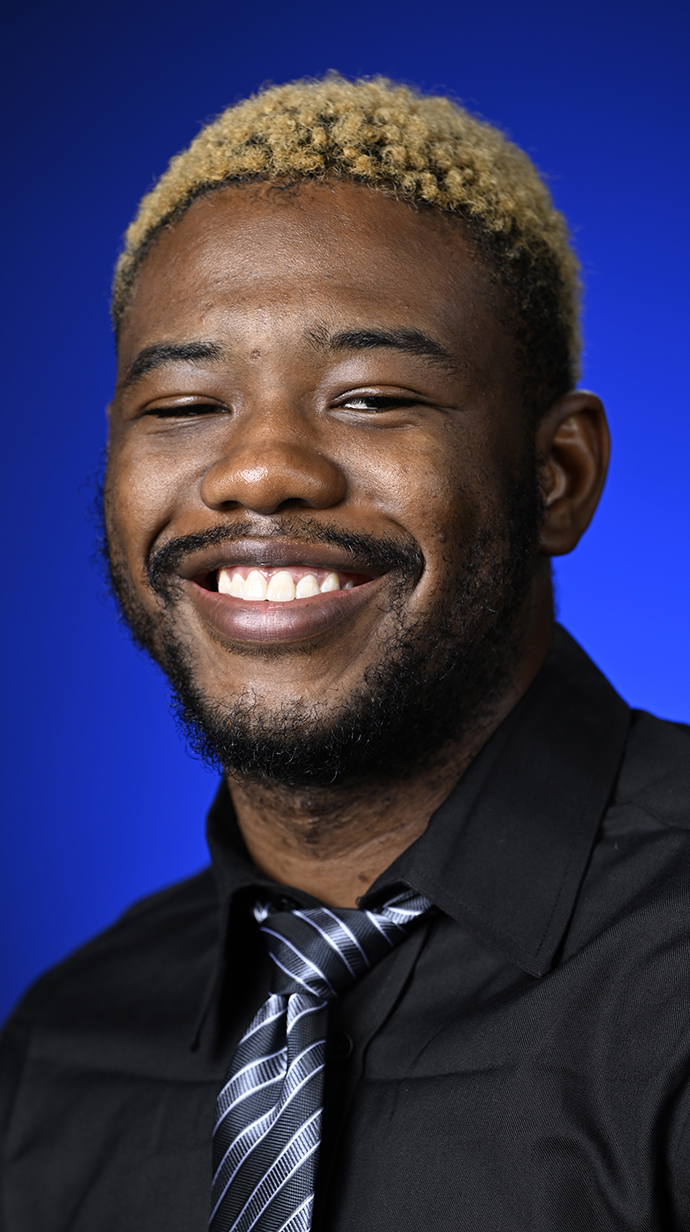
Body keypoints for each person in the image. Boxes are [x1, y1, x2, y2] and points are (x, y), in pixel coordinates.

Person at [1, 73, 689, 1232]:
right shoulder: (58, 1050)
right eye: (181, 406)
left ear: (557, 475)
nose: (260, 470)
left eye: (370, 396)